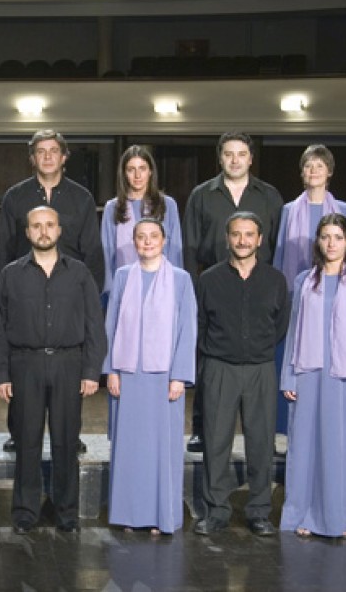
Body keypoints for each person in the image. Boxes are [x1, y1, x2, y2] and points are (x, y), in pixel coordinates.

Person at [0, 206, 107, 534]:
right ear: (27, 233)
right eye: (36, 226)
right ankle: (25, 511)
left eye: (49, 225)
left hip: (69, 364)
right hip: (24, 365)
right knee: (26, 440)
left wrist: (92, 370)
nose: (43, 231)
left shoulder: (80, 273)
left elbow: (94, 324)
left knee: (66, 441)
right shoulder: (11, 274)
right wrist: (2, 374)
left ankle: (66, 511)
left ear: (59, 230)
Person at [0, 130, 103, 453]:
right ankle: (19, 433)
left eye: (53, 151)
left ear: (64, 156)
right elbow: (3, 249)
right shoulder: (15, 197)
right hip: (24, 287)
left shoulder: (81, 198)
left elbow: (93, 254)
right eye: (40, 151)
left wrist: (89, 303)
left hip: (70, 290)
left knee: (68, 368)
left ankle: (71, 433)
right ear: (32, 158)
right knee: (24, 365)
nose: (47, 157)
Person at [280, 214, 346, 538]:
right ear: (318, 241)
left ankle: (343, 519)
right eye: (325, 237)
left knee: (342, 446)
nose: (331, 243)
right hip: (309, 372)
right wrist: (288, 377)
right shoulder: (303, 281)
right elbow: (293, 332)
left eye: (338, 237)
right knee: (305, 446)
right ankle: (305, 516)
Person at [183, 131, 283, 453]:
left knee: (256, 369)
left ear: (251, 158)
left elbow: (278, 246)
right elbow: (189, 247)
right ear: (220, 157)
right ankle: (202, 428)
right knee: (209, 360)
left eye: (241, 154)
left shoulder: (269, 196)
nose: (235, 160)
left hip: (257, 287)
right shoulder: (201, 195)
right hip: (214, 285)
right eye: (229, 154)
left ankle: (262, 436)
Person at [193, 211, 289, 537]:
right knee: (216, 443)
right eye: (236, 234)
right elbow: (200, 326)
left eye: (249, 234)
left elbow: (280, 326)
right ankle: (216, 511)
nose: (243, 240)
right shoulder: (209, 279)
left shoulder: (276, 280)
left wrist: (257, 351)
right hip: (220, 368)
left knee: (261, 444)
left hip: (261, 369)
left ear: (260, 239)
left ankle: (259, 511)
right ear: (227, 237)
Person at [105, 218, 196, 534]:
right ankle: (129, 515)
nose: (147, 242)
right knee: (129, 448)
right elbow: (111, 324)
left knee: (161, 450)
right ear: (133, 241)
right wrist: (111, 370)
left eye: (153, 236)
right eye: (141, 237)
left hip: (163, 377)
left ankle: (160, 516)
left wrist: (179, 376)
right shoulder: (122, 277)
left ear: (164, 240)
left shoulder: (181, 280)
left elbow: (187, 330)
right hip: (128, 374)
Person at [272, 144, 346, 436]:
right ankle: (290, 429)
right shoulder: (289, 210)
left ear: (329, 171)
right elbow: (281, 256)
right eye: (308, 166)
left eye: (319, 166)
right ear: (301, 172)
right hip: (299, 296)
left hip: (335, 295)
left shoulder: (343, 210)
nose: (313, 171)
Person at [101, 145, 183, 301]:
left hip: (162, 288)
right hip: (124, 289)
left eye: (142, 168)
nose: (137, 175)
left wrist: (176, 288)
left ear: (150, 171)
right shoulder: (112, 207)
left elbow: (175, 249)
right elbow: (107, 253)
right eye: (131, 169)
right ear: (124, 174)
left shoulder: (167, 204)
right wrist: (110, 293)